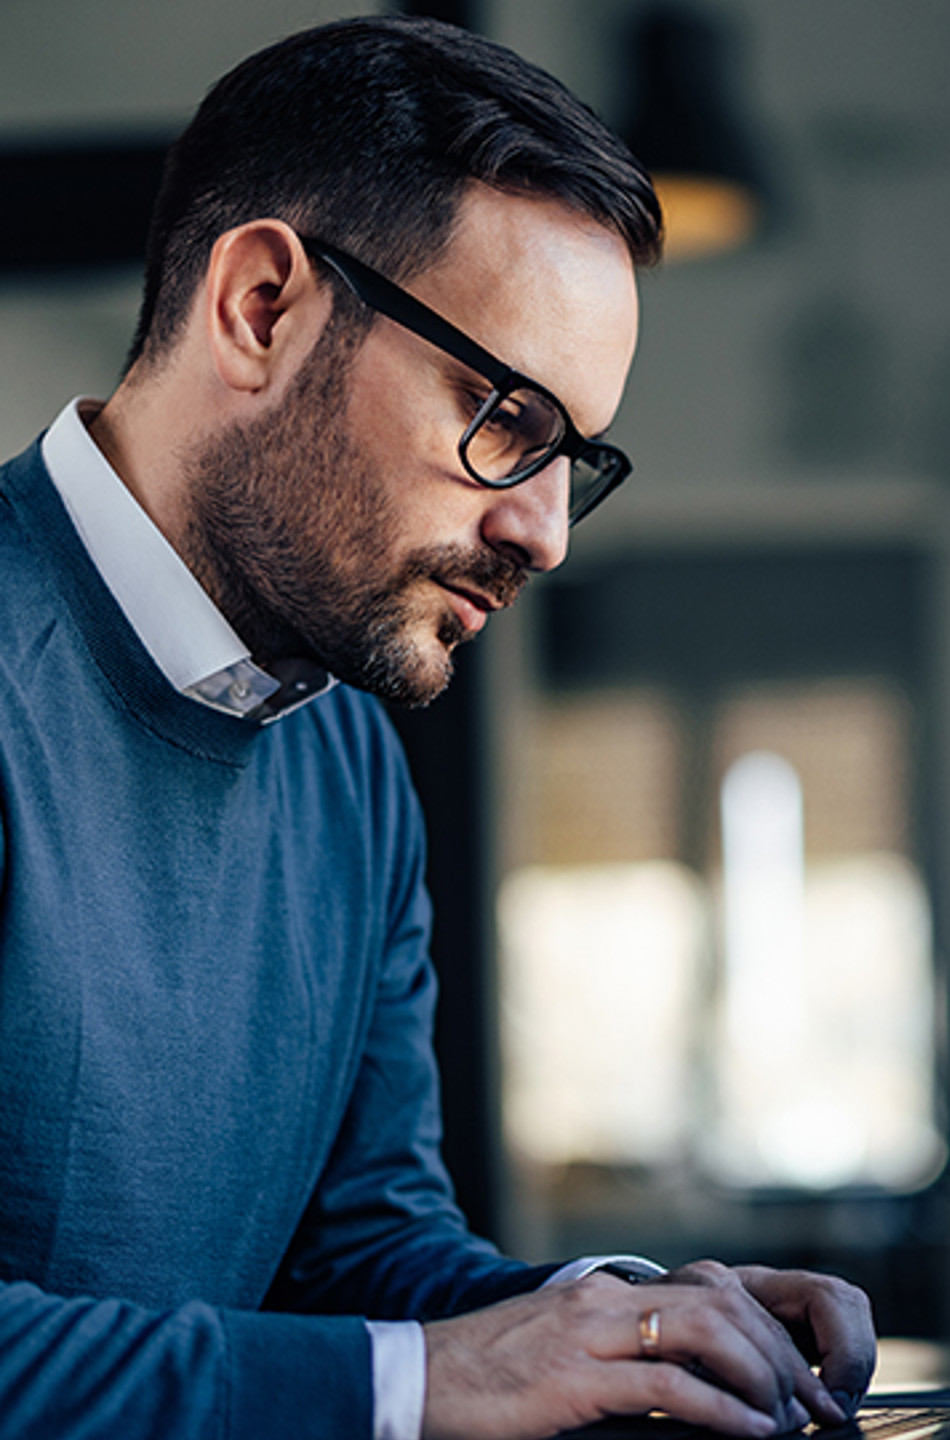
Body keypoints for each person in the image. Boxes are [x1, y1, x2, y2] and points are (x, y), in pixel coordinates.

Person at [0, 16, 875, 1440]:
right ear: (262, 306)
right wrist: (432, 1379)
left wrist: (637, 1321)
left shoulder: (348, 759)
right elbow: (403, 1370)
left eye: (573, 460)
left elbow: (358, 1255)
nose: (543, 532)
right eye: (500, 415)